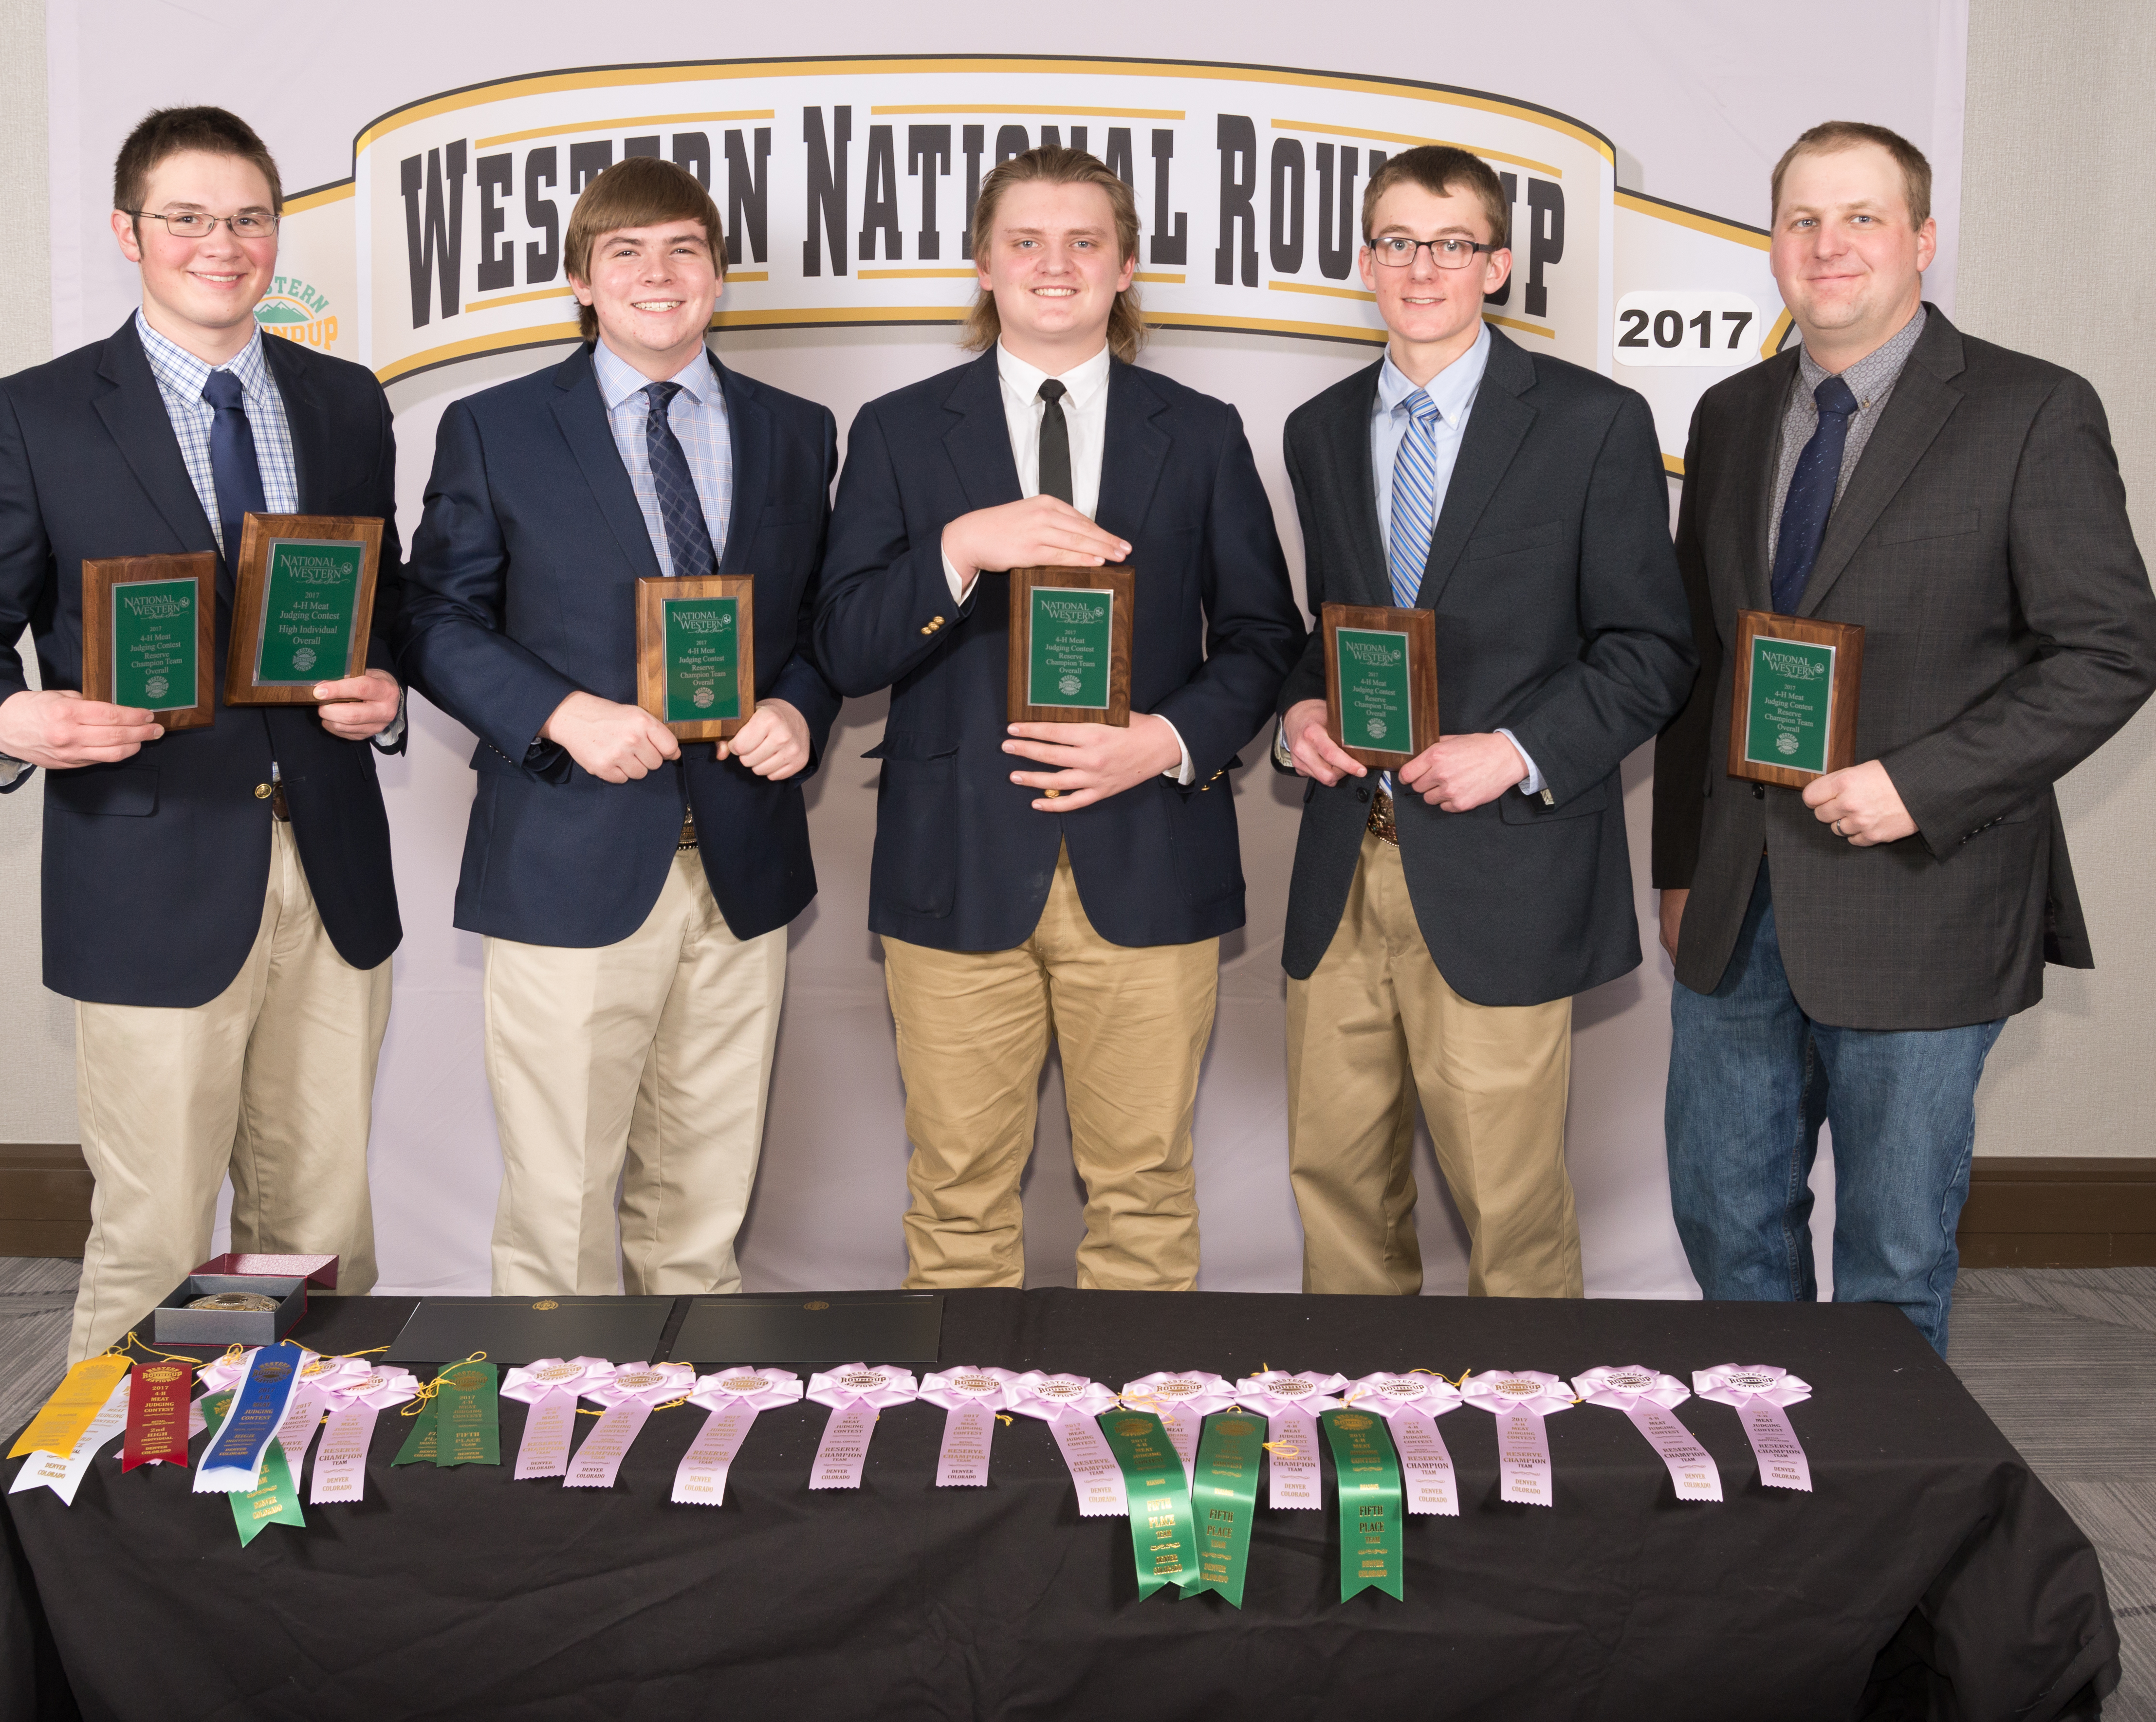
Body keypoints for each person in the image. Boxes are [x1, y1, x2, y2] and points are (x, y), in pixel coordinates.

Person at [0, 107, 407, 1362]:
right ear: (129, 231)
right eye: (186, 217)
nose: (219, 244)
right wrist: (10, 714)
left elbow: (381, 602)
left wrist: (385, 684)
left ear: (274, 236)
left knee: (325, 1228)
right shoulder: (40, 413)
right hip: (145, 874)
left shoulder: (346, 403)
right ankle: (114, 1536)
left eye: (246, 218)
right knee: (153, 1235)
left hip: (330, 863)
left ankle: (316, 1518)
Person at [1652, 122, 2156, 1354]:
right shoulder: (1728, 413)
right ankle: (1772, 1484)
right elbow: (1701, 659)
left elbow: (2110, 652)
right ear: (1773, 245)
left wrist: (1917, 783)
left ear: (1922, 240)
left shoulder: (2033, 408)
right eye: (1803, 222)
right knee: (1727, 1223)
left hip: (1922, 893)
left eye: (1862, 219)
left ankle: (1881, 1512)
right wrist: (1675, 865)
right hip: (1736, 899)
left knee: (1891, 1252)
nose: (1830, 248)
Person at [816, 146, 1303, 1291]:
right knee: (958, 1193)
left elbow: (1263, 636)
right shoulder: (895, 431)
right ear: (983, 264)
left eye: (1085, 241)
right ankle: (964, 1458)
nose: (1055, 263)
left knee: (1142, 1194)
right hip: (956, 864)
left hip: (1149, 860)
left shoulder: (1201, 428)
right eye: (1026, 240)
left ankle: (1138, 1458)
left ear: (1126, 267)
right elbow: (842, 646)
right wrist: (956, 550)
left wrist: (1166, 741)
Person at [399, 157, 839, 1297]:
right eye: (625, 252)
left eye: (684, 247)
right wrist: (560, 711)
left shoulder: (797, 431)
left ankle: (692, 1443)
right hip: (569, 852)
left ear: (719, 275)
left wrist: (801, 703)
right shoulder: (495, 429)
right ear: (582, 282)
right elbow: (432, 617)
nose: (658, 273)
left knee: (701, 1207)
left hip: (740, 861)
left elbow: (820, 620)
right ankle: (558, 1455)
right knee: (558, 1212)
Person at [1273, 146, 1694, 1300]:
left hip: (1507, 867)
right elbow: (1328, 628)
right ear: (1366, 262)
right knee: (1338, 1183)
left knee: (1510, 1204)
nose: (1422, 267)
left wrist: (1514, 751)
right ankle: (1356, 1449)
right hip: (1345, 869)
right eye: (1398, 242)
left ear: (1497, 265)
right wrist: (1301, 706)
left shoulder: (1592, 423)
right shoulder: (1319, 429)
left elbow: (1653, 651)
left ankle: (1524, 1460)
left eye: (1451, 243)